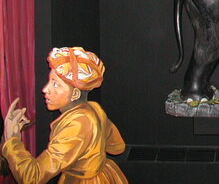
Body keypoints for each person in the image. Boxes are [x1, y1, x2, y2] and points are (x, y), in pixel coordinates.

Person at [1, 47, 128, 183]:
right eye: (50, 82)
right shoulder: (93, 108)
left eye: (55, 84)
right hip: (105, 175)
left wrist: (12, 140)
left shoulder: (76, 125)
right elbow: (117, 147)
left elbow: (33, 178)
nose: (45, 89)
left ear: (75, 94)